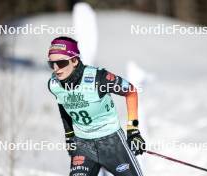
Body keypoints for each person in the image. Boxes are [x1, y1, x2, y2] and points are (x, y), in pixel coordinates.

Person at [47, 36, 146, 176]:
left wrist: (133, 130)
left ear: (74, 60)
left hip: (112, 143)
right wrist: (69, 135)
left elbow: (131, 92)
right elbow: (63, 104)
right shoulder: (54, 85)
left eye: (61, 63)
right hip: (83, 145)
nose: (56, 69)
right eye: (51, 64)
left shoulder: (98, 78)